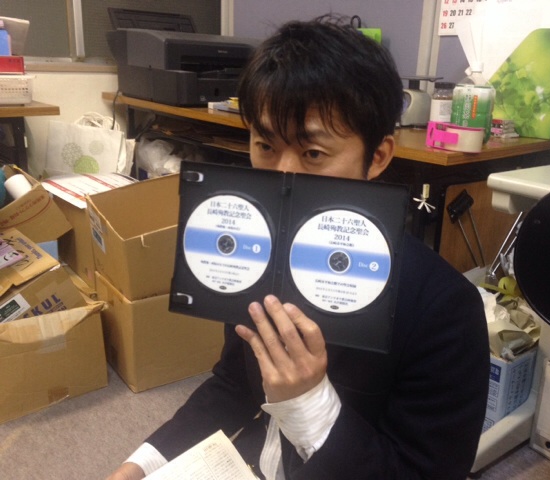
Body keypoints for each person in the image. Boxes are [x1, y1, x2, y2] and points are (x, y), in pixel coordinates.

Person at [107, 15, 489, 480]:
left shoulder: (445, 310)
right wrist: (143, 462)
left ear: (378, 157)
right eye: (265, 146)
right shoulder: (257, 258)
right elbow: (234, 383)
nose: (282, 175)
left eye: (313, 154)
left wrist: (310, 401)